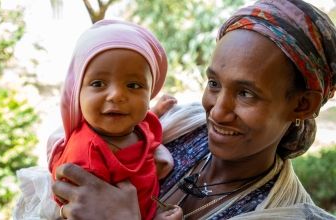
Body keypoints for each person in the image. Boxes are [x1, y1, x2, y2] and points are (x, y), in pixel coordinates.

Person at [51, 0, 336, 219]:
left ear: (302, 104)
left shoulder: (281, 211)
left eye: (246, 93)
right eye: (214, 83)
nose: (217, 112)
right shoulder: (177, 127)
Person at [46, 19, 182, 220]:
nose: (117, 95)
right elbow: (92, 212)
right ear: (76, 93)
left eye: (134, 85)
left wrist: (158, 110)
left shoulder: (138, 124)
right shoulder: (87, 159)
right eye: (98, 83)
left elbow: (146, 118)